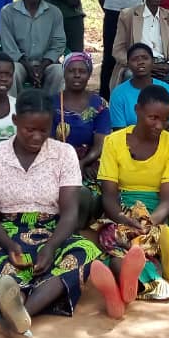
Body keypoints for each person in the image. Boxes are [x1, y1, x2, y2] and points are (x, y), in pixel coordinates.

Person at [0, 90, 101, 338]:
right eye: (29, 129)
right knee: (6, 268)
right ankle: (16, 308)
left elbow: (69, 213)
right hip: (6, 231)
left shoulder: (64, 154)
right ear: (15, 121)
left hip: (51, 229)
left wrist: (51, 246)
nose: (36, 137)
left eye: (43, 130)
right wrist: (10, 245)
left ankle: (16, 315)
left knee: (85, 251)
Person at [96, 85, 169, 305]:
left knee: (154, 235)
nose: (159, 125)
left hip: (156, 209)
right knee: (116, 238)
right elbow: (108, 195)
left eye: (165, 120)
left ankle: (141, 272)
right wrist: (121, 218)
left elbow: (167, 199)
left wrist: (150, 221)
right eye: (153, 118)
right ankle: (147, 278)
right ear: (137, 110)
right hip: (122, 207)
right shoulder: (114, 142)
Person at [51, 52, 109, 225]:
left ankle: (82, 223)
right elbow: (46, 140)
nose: (77, 75)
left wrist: (83, 163)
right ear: (64, 73)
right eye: (71, 71)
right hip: (57, 161)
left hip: (89, 161)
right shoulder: (52, 103)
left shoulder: (100, 105)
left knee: (98, 194)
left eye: (82, 71)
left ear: (89, 74)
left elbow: (100, 144)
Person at [0, 0, 66, 96]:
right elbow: (9, 47)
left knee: (60, 72)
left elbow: (59, 43)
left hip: (47, 64)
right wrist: (28, 67)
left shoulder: (54, 13)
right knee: (11, 73)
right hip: (19, 63)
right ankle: (11, 111)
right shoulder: (7, 12)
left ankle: (52, 111)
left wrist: (42, 67)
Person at [109, 43, 169, 131]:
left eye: (145, 58)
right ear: (128, 64)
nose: (140, 62)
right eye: (134, 59)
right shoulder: (118, 93)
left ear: (153, 62)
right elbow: (119, 133)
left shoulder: (167, 89)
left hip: (162, 142)